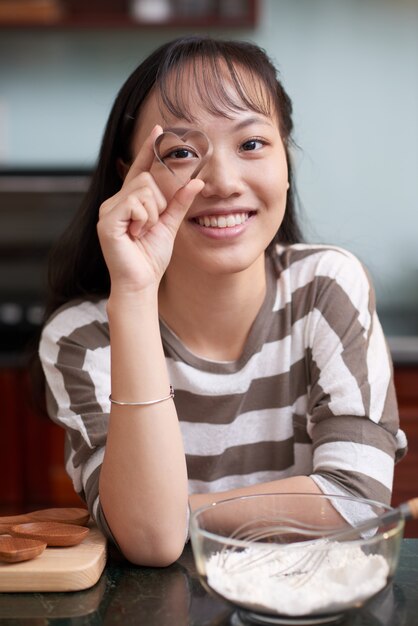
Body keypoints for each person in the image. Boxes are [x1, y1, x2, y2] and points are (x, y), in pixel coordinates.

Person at [38, 35, 406, 566]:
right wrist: (136, 297)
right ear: (131, 179)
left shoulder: (327, 286)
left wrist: (178, 511)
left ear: (286, 157)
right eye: (182, 153)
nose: (223, 182)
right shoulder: (82, 340)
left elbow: (356, 502)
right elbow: (151, 540)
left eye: (252, 144)